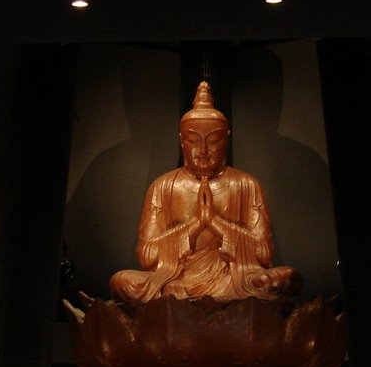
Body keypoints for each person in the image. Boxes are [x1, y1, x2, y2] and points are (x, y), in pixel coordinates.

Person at [109, 81, 301, 304]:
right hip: (176, 278)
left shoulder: (247, 185)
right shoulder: (162, 187)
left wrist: (216, 223)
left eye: (213, 141)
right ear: (182, 142)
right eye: (193, 141)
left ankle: (181, 304)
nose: (202, 151)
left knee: (287, 278)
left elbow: (264, 254)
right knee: (122, 281)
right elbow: (147, 255)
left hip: (233, 279)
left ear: (226, 140)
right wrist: (195, 225)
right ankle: (206, 302)